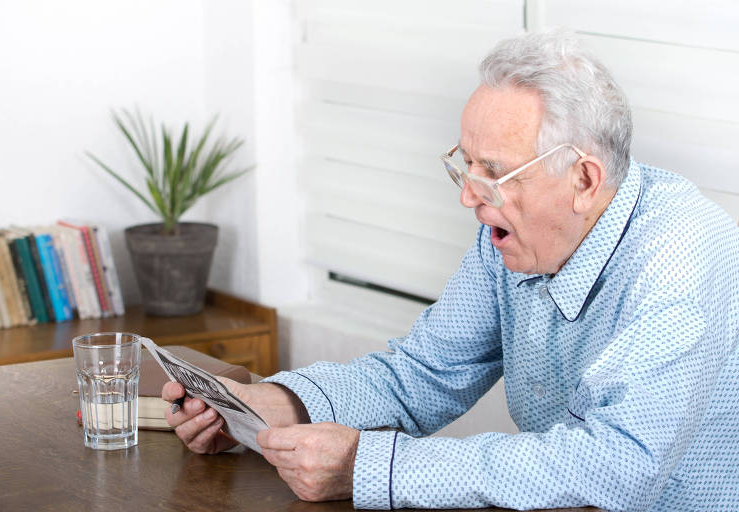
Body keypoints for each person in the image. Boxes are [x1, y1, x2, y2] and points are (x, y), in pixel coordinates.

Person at [162, 29, 739, 511]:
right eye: (466, 165)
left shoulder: (677, 261)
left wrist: (373, 468)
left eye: (493, 170)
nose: (469, 197)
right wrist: (272, 405)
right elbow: (425, 372)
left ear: (583, 180)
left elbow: (618, 465)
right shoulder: (510, 235)